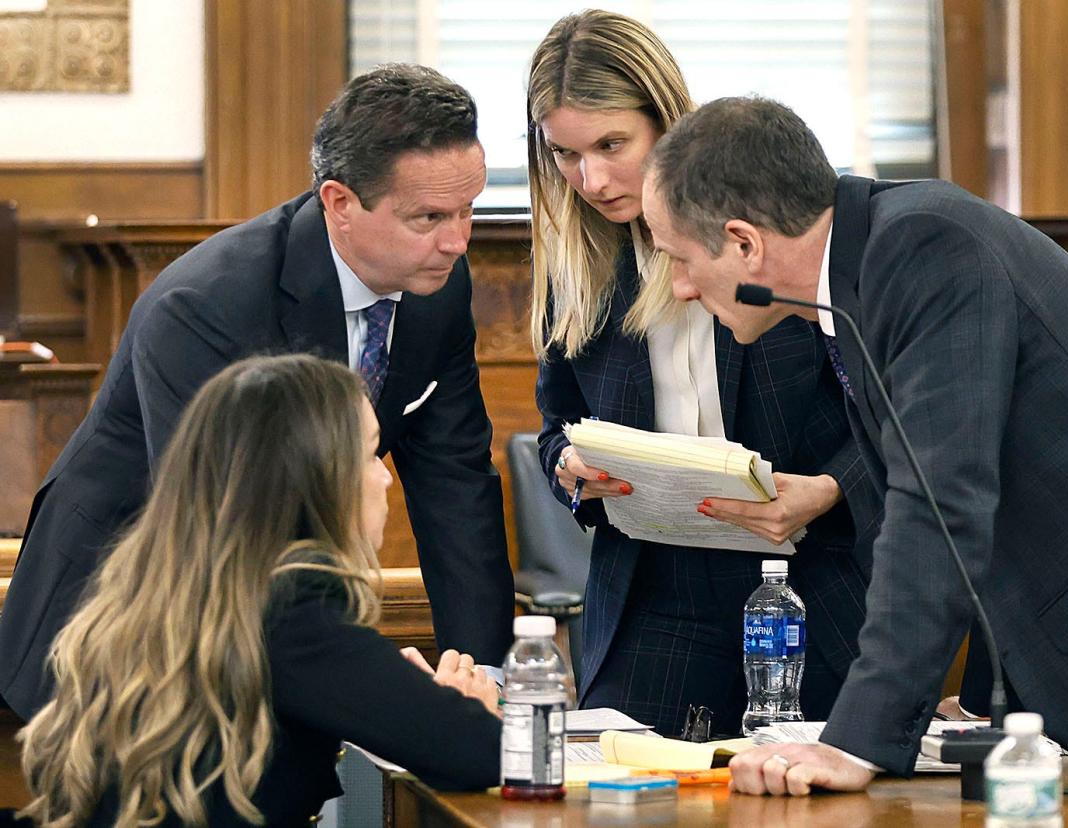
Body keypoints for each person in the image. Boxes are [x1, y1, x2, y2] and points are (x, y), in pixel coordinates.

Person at [642, 95, 1068, 799]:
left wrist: (859, 741)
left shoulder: (924, 248)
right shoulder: (869, 266)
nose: (678, 288)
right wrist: (989, 697)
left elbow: (939, 502)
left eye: (679, 259)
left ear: (744, 244)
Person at [0, 64, 514, 720]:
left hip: (260, 621)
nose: (458, 241)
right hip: (110, 628)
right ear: (339, 203)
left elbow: (456, 486)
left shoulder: (436, 285)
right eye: (429, 217)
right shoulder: (211, 305)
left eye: (469, 209)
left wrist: (486, 678)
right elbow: (220, 526)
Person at [527, 10, 880, 737]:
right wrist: (567, 464)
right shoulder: (576, 261)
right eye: (565, 153)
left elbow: (888, 409)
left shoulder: (778, 222)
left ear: (666, 120)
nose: (589, 179)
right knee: (630, 799)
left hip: (811, 573)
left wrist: (831, 488)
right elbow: (554, 424)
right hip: (656, 586)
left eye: (611, 144)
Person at [17, 354, 501, 825]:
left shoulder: (168, 586)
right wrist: (467, 709)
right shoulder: (292, 608)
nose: (384, 477)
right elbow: (480, 752)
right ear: (318, 479)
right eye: (371, 452)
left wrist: (413, 702)